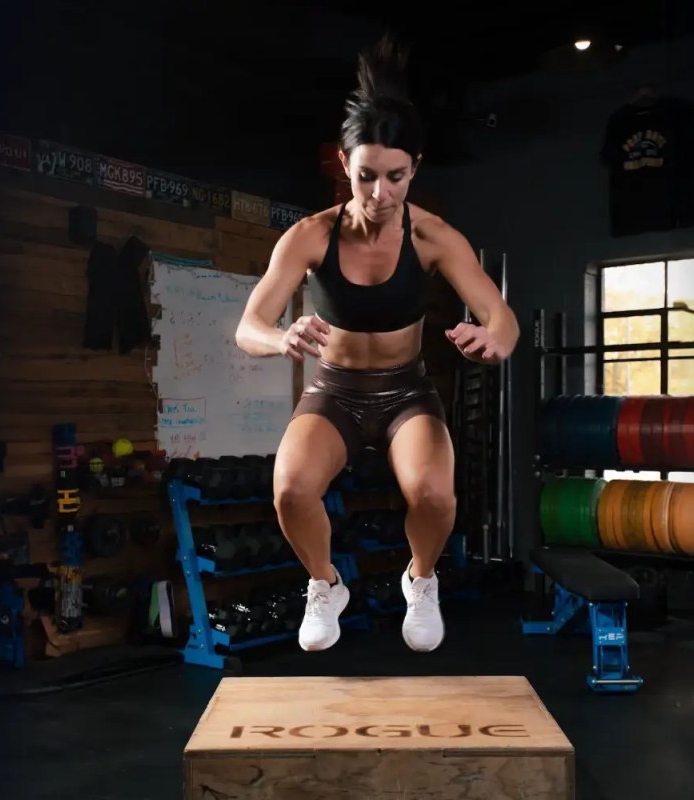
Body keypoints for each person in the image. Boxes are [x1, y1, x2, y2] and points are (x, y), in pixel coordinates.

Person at [234, 35, 519, 654]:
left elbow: (502, 317)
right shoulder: (310, 237)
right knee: (289, 488)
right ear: (344, 164)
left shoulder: (435, 238)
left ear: (414, 168)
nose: (381, 194)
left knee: (435, 494)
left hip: (406, 393)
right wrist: (280, 334)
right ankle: (325, 584)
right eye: (366, 177)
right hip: (334, 390)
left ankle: (421, 580)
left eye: (395, 177)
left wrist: (493, 340)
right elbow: (248, 324)